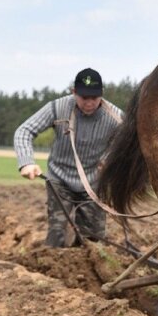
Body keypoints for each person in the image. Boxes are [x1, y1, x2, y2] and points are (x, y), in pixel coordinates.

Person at [14, 68, 123, 247]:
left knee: (93, 240)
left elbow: (128, 145)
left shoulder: (116, 118)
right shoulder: (58, 108)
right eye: (83, 97)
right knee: (58, 236)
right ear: (74, 92)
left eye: (94, 98)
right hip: (60, 180)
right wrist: (26, 162)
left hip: (93, 184)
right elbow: (24, 131)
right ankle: (52, 267)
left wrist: (110, 159)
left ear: (102, 94)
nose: (89, 103)